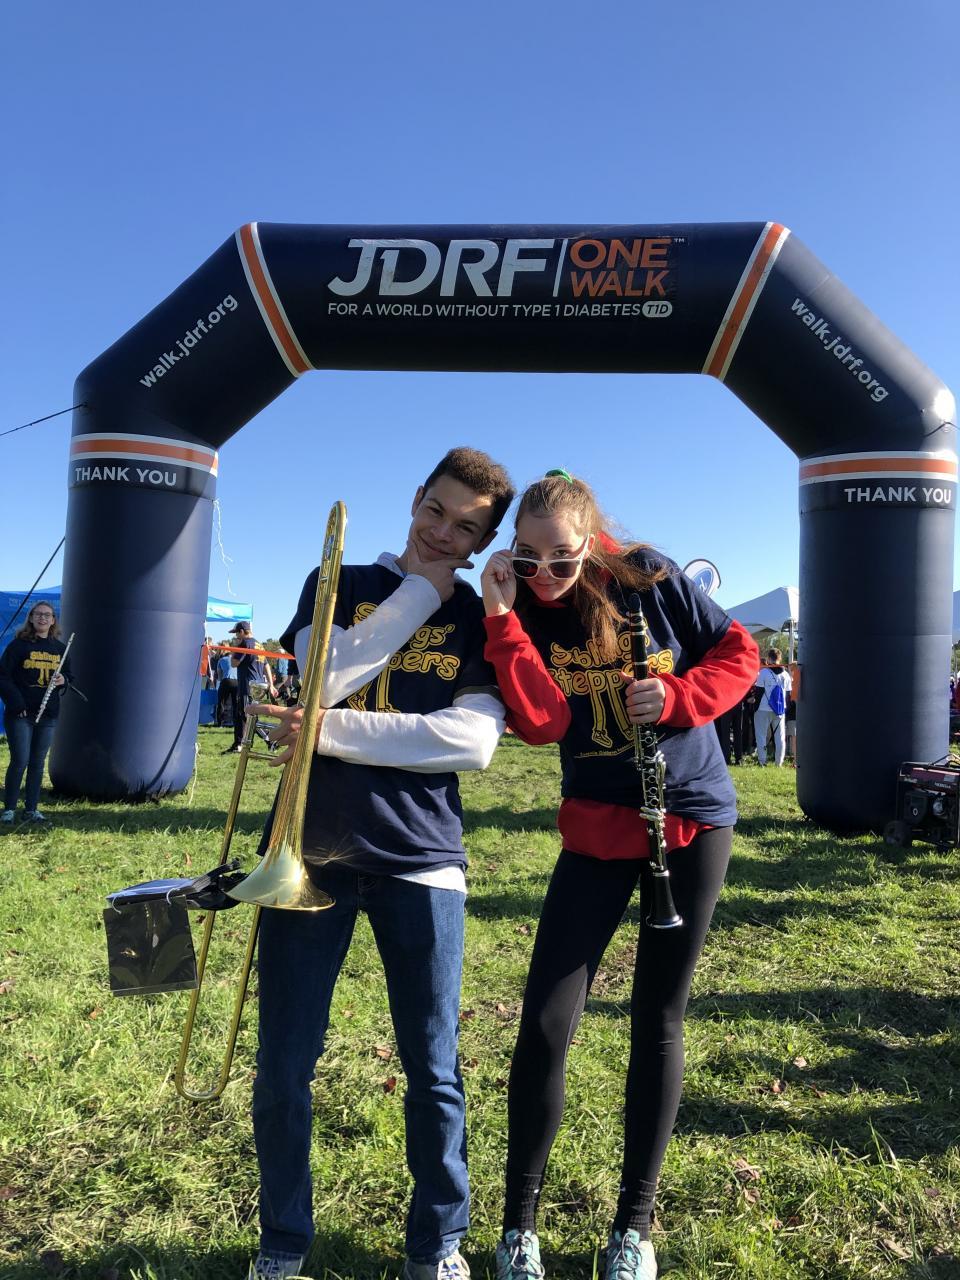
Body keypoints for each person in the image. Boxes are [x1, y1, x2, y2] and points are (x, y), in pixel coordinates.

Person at [479, 470, 759, 1280]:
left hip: (689, 815)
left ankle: (633, 1229)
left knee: (658, 1018)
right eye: (526, 557)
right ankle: (518, 1227)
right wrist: (502, 616)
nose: (544, 573)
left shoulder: (648, 575)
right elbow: (543, 723)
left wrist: (677, 698)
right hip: (598, 821)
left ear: (591, 540)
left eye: (561, 557)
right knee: (544, 1022)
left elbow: (738, 651)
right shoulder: (522, 601)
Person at [246, 447, 514, 1280]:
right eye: (436, 511)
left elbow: (470, 743)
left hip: (422, 856)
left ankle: (437, 1244)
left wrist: (325, 735)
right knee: (284, 1062)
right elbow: (319, 680)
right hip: (308, 850)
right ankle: (282, 1239)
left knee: (433, 1068)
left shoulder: (479, 616)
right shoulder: (338, 580)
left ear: (481, 542)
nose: (443, 533)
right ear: (416, 498)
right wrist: (419, 592)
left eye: (465, 529)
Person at [0, 601, 73, 824]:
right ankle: (9, 809)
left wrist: (63, 680)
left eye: (47, 615)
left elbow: (69, 676)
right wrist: (16, 704)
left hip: (48, 714)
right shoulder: (18, 646)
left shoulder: (60, 648)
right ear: (31, 618)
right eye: (38, 614)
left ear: (53, 620)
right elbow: (3, 677)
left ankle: (31, 809)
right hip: (21, 714)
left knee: (37, 763)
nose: (43, 618)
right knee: (20, 761)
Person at [224, 621, 276, 752]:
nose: (236, 636)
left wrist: (235, 648)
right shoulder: (259, 645)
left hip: (248, 686)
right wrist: (271, 684)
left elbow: (234, 663)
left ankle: (270, 739)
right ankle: (239, 744)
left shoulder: (244, 643)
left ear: (242, 631)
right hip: (258, 686)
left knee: (247, 716)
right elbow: (266, 666)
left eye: (236, 633)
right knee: (242, 715)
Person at [753, 649, 792, 767]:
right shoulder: (786, 675)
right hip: (780, 710)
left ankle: (762, 761)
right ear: (779, 659)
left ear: (769, 658)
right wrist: (785, 710)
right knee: (780, 737)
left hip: (763, 708)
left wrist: (755, 708)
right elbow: (788, 696)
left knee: (761, 735)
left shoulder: (764, 672)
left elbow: (759, 693)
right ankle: (778, 763)